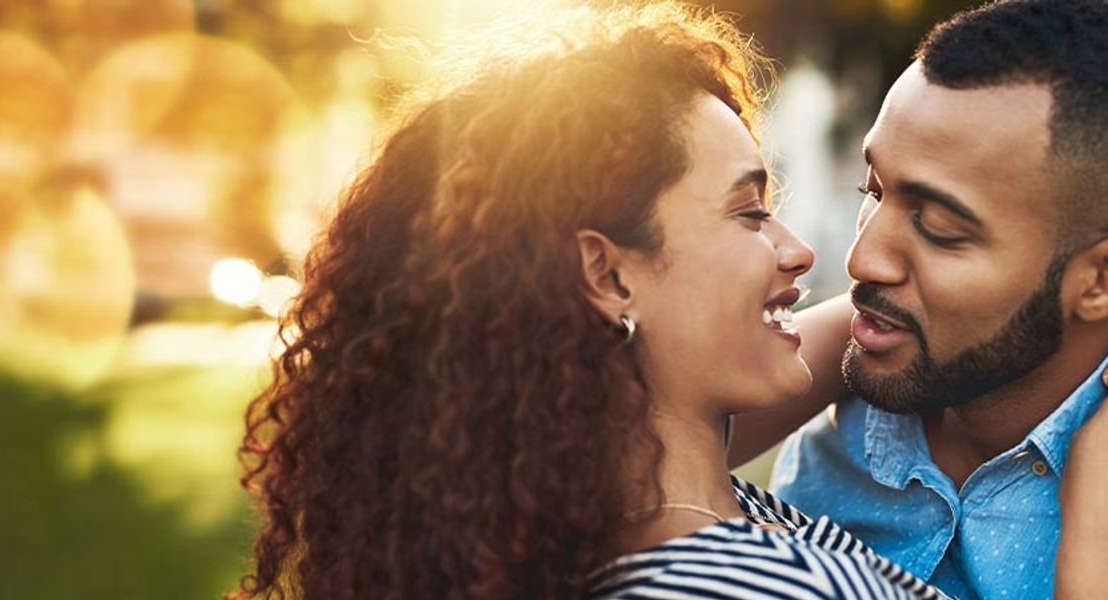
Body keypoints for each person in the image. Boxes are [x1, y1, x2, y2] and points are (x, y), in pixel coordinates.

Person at [228, 4, 954, 599]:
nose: (798, 250)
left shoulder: (582, 511)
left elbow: (849, 334)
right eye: (748, 212)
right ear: (607, 276)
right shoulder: (722, 586)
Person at [764, 1, 1108, 598]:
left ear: (1098, 281)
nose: (860, 261)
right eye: (872, 189)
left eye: (941, 229)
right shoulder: (841, 419)